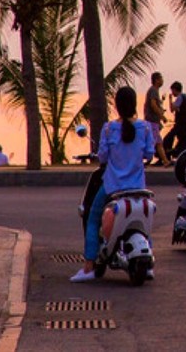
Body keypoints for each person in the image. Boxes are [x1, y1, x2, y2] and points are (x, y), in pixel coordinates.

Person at [72, 85, 154, 282]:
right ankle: (149, 264)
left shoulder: (109, 129)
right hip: (138, 189)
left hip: (113, 187)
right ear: (135, 104)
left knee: (92, 219)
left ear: (116, 106)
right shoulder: (145, 128)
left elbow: (103, 157)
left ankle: (89, 266)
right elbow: (149, 154)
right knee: (144, 225)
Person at [143, 72, 169, 165]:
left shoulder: (155, 90)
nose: (162, 80)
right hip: (152, 121)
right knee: (156, 142)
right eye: (161, 78)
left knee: (156, 142)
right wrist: (162, 116)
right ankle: (165, 161)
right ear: (157, 80)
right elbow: (153, 105)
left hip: (153, 121)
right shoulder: (153, 90)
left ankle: (164, 161)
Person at [164, 81, 186, 159]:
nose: (172, 93)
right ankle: (173, 154)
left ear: (175, 89)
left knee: (169, 138)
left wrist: (170, 100)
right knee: (181, 141)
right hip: (185, 124)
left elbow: (172, 109)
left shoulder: (180, 97)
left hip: (180, 125)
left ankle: (168, 153)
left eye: (172, 90)